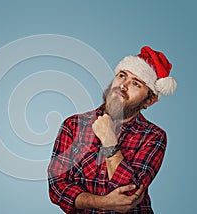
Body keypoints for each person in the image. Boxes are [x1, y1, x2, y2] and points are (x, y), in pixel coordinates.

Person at [47, 46, 177, 213]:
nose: (123, 85)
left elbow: (130, 193)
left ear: (149, 101)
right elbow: (57, 187)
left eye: (136, 84)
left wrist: (109, 141)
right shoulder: (73, 125)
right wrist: (102, 202)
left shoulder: (153, 137)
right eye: (122, 76)